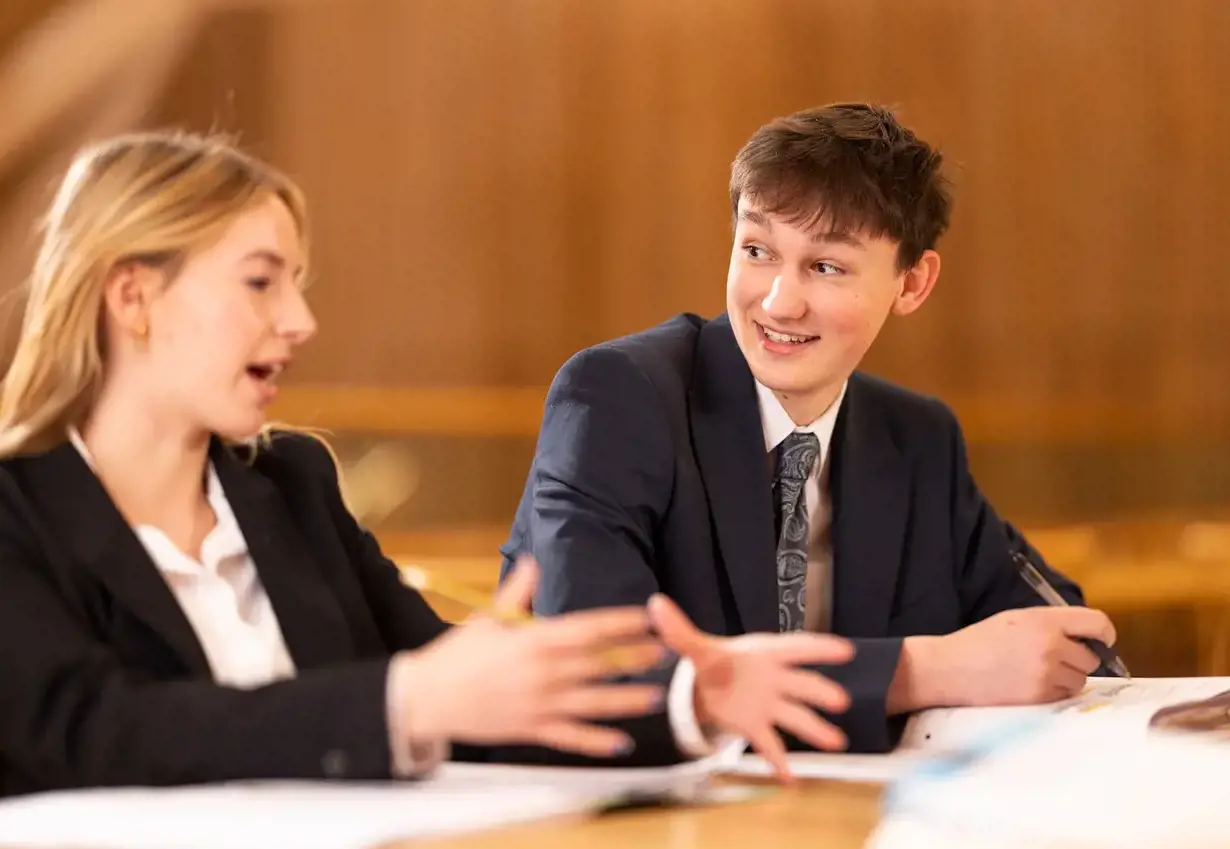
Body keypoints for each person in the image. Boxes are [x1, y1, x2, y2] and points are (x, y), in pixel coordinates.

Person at [0, 131, 858, 797]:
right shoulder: (15, 509)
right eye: (261, 282)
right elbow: (80, 730)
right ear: (132, 298)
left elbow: (462, 693)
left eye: (297, 283)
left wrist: (688, 700)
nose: (300, 320)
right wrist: (400, 705)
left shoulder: (290, 484)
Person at [500, 102, 1120, 754]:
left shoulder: (916, 439)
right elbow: (598, 675)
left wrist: (1045, 651)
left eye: (825, 267)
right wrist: (923, 669)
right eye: (758, 250)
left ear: (912, 283)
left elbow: (1060, 637)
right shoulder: (618, 398)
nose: (778, 302)